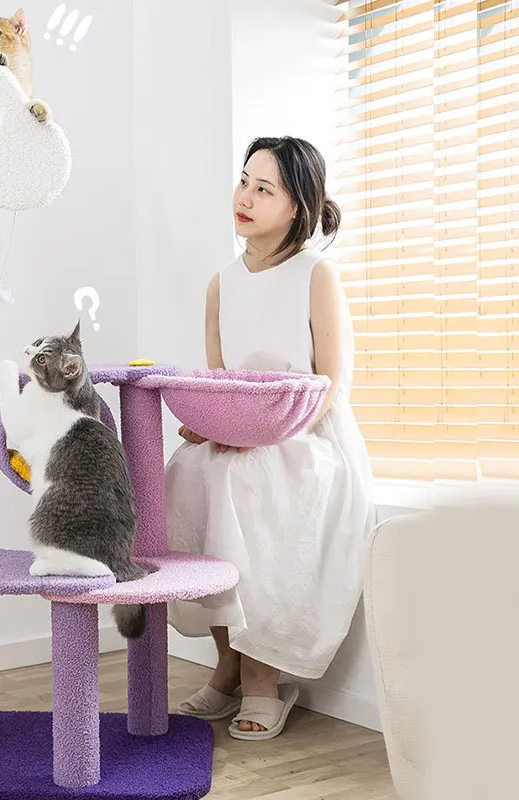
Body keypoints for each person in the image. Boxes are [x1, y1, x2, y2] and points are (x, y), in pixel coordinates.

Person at [168, 136, 374, 741]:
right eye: (244, 182)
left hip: (303, 434)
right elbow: (220, 380)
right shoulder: (221, 284)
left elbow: (331, 382)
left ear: (297, 206)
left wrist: (266, 430)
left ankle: (264, 676)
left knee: (253, 483)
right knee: (188, 472)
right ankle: (228, 662)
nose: (246, 197)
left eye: (264, 189)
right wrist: (208, 423)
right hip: (239, 434)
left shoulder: (315, 274)